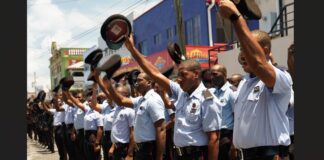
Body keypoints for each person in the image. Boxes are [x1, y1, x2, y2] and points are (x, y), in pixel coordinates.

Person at [123, 34, 222, 160]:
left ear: (196, 74)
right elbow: (155, 73)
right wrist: (132, 50)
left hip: (196, 155)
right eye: (178, 75)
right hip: (177, 154)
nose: (179, 79)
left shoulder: (208, 98)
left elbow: (213, 138)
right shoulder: (181, 92)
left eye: (183, 75)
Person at [218, 0, 292, 159]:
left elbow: (259, 64)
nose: (243, 55)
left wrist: (236, 18)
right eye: (242, 49)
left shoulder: (281, 77)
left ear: (265, 52)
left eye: (248, 49)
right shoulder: (244, 83)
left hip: (268, 155)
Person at [94, 70, 166, 160]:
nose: (136, 83)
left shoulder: (153, 99)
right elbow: (121, 101)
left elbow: (161, 129)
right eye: (136, 81)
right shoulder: (140, 100)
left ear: (149, 82)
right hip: (140, 150)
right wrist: (106, 82)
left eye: (140, 80)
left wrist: (159, 157)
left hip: (149, 150)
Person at [210, 64, 236, 160]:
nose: (212, 77)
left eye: (215, 74)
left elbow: (237, 117)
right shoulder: (212, 92)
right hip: (213, 135)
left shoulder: (232, 92)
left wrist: (234, 145)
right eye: (211, 75)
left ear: (224, 74)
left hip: (226, 136)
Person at [42, 94, 67, 160]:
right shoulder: (55, 110)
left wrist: (56, 97)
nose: (58, 102)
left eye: (59, 101)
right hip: (56, 129)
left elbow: (58, 107)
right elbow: (47, 109)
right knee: (59, 146)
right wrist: (42, 102)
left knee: (63, 147)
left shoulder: (64, 108)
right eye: (57, 101)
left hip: (61, 128)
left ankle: (64, 158)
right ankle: (61, 158)